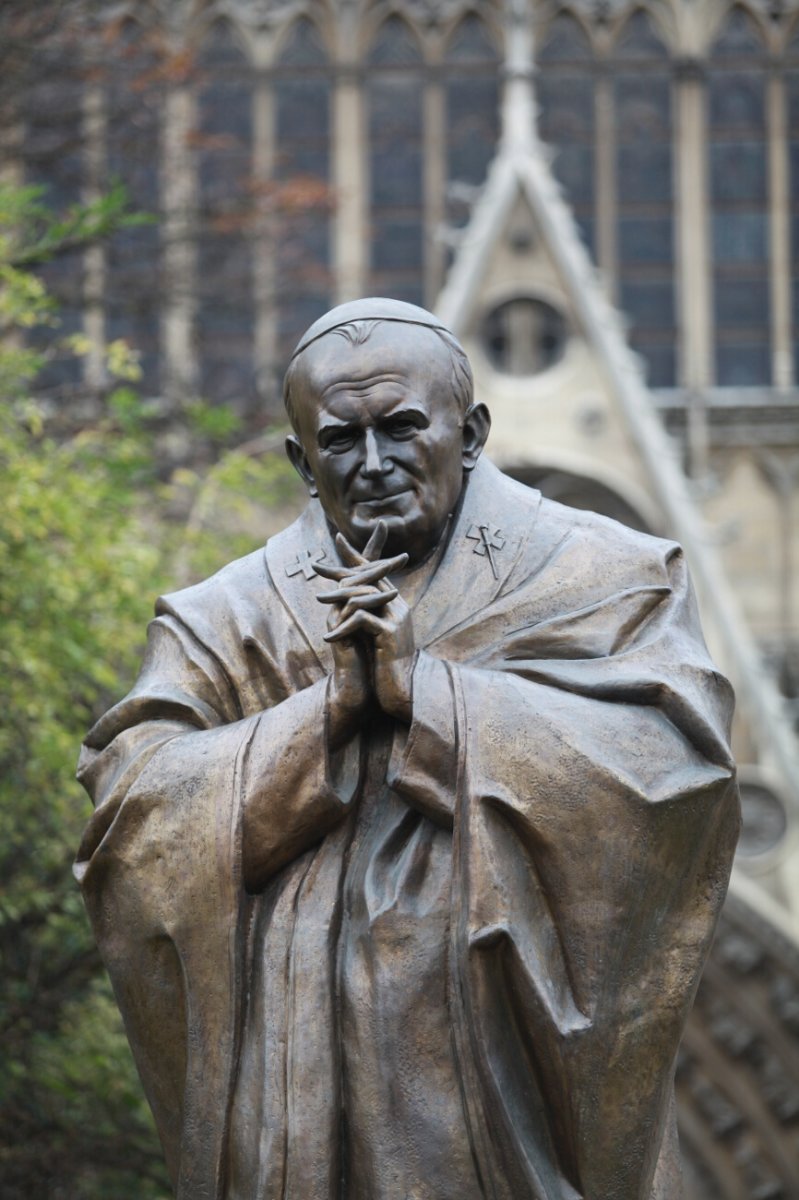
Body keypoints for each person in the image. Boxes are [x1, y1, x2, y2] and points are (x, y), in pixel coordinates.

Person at [75, 298, 739, 1200]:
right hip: (297, 1094)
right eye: (341, 440)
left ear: (469, 434)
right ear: (299, 462)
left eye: (402, 428)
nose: (375, 463)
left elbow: (676, 772)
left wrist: (425, 695)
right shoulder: (223, 617)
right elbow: (132, 815)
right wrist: (328, 714)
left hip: (501, 1088)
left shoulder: (606, 574)